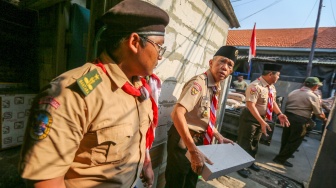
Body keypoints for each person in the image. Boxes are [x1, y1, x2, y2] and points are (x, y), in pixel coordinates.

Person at [18, 0, 169, 187]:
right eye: (159, 46)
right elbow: (45, 180)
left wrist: (145, 163)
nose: (160, 55)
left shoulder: (140, 88)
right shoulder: (72, 94)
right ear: (135, 42)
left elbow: (137, 138)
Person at [165, 46, 237, 187]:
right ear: (211, 63)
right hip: (184, 140)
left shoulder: (217, 87)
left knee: (192, 180)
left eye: (230, 65)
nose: (225, 67)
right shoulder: (198, 84)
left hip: (199, 141)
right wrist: (192, 150)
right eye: (222, 61)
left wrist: (217, 135)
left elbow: (204, 117)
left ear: (231, 71)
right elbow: (177, 113)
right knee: (177, 182)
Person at [236, 63, 290, 178]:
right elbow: (251, 105)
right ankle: (240, 166)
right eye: (278, 75)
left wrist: (279, 113)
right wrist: (261, 121)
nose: (279, 77)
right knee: (245, 142)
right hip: (250, 118)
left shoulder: (271, 87)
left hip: (261, 119)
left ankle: (250, 162)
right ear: (271, 74)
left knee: (255, 142)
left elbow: (272, 101)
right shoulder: (255, 86)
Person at [273, 77, 327, 167]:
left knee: (286, 138)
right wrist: (325, 119)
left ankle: (283, 154)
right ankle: (281, 159)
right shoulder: (312, 96)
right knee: (295, 140)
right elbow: (319, 114)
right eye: (317, 86)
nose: (318, 87)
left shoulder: (294, 92)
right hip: (300, 120)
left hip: (287, 116)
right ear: (315, 86)